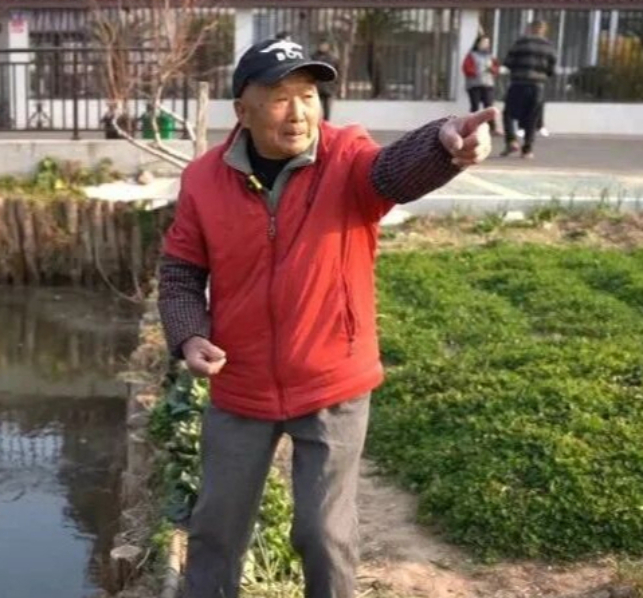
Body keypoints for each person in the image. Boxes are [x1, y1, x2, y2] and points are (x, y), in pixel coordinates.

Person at [158, 37, 496, 598]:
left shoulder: (346, 157)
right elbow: (180, 272)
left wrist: (444, 145)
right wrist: (189, 335)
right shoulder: (203, 179)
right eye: (279, 97)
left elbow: (392, 171)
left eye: (309, 95)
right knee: (215, 528)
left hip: (331, 378)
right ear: (242, 110)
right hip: (239, 380)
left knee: (323, 533)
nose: (298, 112)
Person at [501, 20, 556, 159]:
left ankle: (511, 141)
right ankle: (527, 149)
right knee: (532, 117)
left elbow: (508, 62)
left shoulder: (521, 42)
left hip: (519, 83)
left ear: (530, 28)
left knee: (508, 113)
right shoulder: (548, 46)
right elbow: (551, 69)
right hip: (537, 86)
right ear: (544, 30)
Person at [462, 34, 500, 135]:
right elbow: (466, 67)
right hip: (474, 84)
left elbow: (496, 67)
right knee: (475, 107)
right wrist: (474, 72)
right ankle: (471, 128)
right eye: (483, 42)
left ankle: (493, 128)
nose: (485, 44)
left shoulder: (490, 56)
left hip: (488, 84)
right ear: (477, 43)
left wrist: (492, 70)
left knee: (489, 106)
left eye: (487, 43)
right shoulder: (471, 55)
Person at [311, 40, 340, 121]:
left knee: (327, 107)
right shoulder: (313, 57)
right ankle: (315, 121)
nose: (323, 47)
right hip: (316, 85)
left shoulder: (333, 58)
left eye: (324, 45)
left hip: (328, 86)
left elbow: (337, 72)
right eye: (321, 45)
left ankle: (326, 122)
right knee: (315, 106)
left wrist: (336, 85)